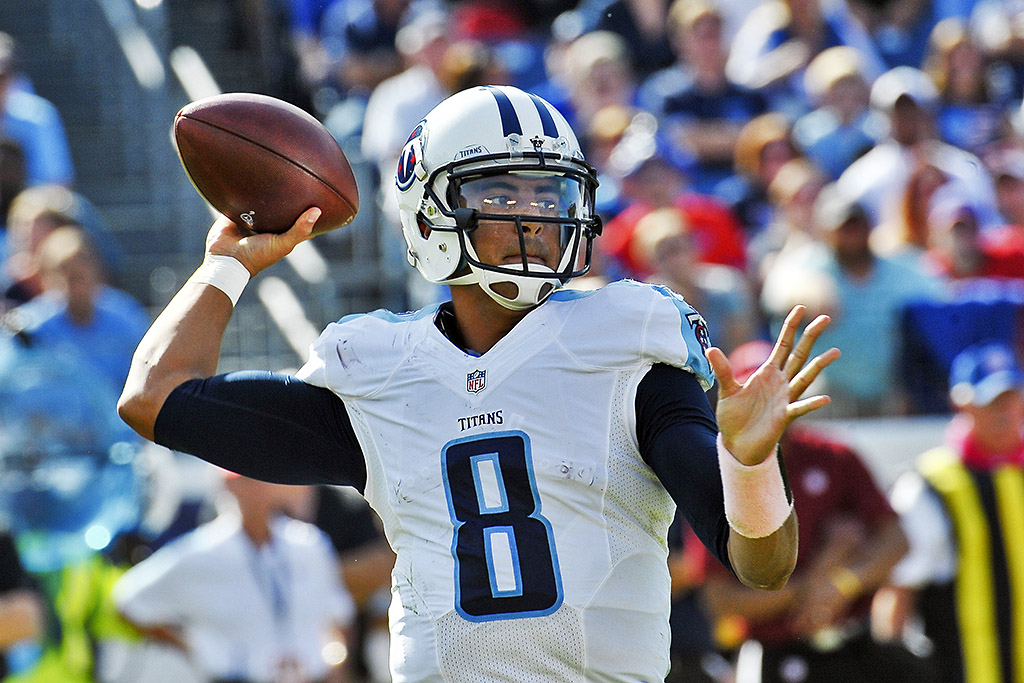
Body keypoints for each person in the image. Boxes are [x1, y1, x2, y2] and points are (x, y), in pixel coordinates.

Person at [118, 84, 840, 681]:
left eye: (549, 193)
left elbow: (763, 565)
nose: (536, 214)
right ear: (430, 211)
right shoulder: (380, 374)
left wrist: (748, 463)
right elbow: (154, 398)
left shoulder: (630, 352)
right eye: (503, 194)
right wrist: (228, 262)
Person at [701, 341, 924, 683]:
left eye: (775, 392)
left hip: (857, 645)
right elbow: (720, 601)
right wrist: (822, 577)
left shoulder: (834, 456)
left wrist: (843, 583)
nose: (765, 406)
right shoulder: (718, 475)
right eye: (754, 394)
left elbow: (897, 539)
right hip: (775, 652)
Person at [873, 340, 1024, 683]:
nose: (1005, 412)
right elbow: (897, 593)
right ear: (963, 404)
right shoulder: (930, 486)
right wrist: (893, 666)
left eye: (1011, 397)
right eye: (991, 401)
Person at [114, 472, 356, 683]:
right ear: (226, 485)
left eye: (261, 478)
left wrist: (335, 663)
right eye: (244, 479)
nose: (256, 487)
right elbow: (129, 599)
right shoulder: (201, 552)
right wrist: (195, 648)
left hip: (309, 677)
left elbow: (337, 612)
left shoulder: (308, 544)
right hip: (238, 677)